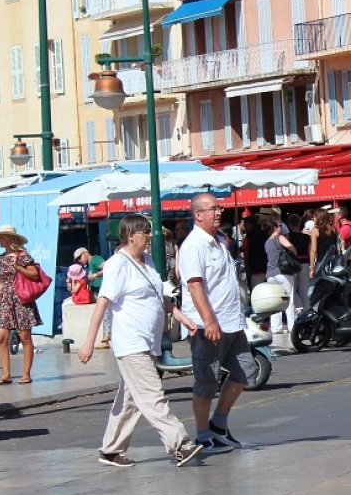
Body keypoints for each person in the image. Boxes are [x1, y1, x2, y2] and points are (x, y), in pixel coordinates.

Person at [78, 214, 206, 469]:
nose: (149, 236)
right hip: (130, 342)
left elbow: (160, 298)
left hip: (148, 341)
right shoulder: (117, 264)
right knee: (151, 394)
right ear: (129, 236)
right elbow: (102, 302)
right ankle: (179, 444)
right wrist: (89, 341)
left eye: (149, 231)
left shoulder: (146, 261)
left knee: (131, 399)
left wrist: (183, 318)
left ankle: (111, 450)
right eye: (144, 232)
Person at [178, 192, 258, 455]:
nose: (219, 212)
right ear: (198, 214)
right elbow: (194, 285)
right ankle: (202, 435)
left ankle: (219, 424)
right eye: (213, 209)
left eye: (219, 208)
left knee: (245, 370)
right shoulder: (194, 245)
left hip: (231, 322)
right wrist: (209, 321)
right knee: (206, 380)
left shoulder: (217, 242)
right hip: (208, 327)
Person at [0, 224, 41, 386]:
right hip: (5, 299)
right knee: (1, 337)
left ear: (9, 239)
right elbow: (2, 282)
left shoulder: (22, 255)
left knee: (25, 337)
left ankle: (26, 374)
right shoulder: (1, 258)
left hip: (21, 298)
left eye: (1, 237)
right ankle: (6, 373)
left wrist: (18, 268)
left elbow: (35, 274)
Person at [75, 247, 109, 348]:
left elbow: (107, 267)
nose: (79, 261)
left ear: (85, 253)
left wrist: (95, 275)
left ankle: (106, 338)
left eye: (79, 258)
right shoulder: (90, 265)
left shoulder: (95, 259)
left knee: (106, 314)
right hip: (98, 292)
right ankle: (105, 338)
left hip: (103, 291)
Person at [308, 209, 339, 273]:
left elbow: (313, 250)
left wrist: (311, 268)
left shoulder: (315, 231)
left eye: (314, 217)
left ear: (318, 218)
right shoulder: (333, 229)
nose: (313, 218)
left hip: (321, 261)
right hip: (333, 262)